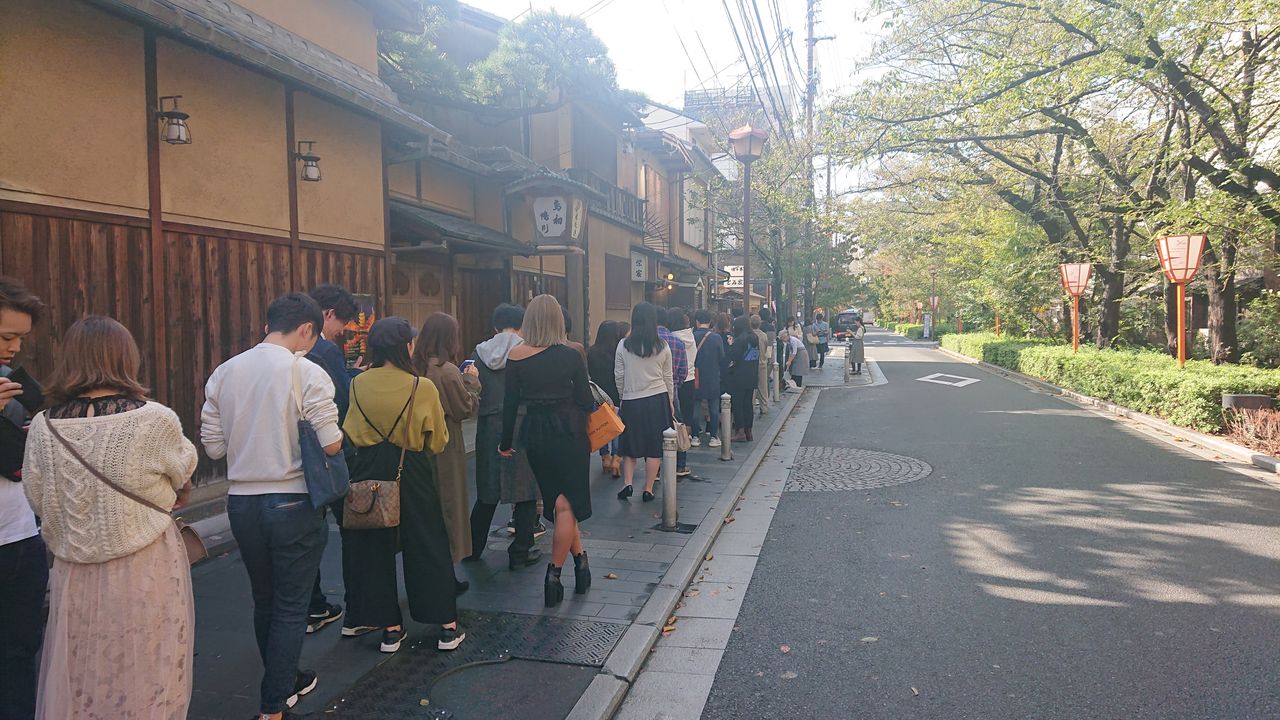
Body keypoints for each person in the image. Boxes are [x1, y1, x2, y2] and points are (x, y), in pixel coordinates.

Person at [24, 317, 198, 719]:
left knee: (83, 676)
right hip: (146, 565)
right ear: (126, 358)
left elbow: (38, 498)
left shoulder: (42, 425)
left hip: (75, 574)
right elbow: (183, 473)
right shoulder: (155, 419)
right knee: (150, 671)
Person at [201, 293, 343, 719]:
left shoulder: (224, 372)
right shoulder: (307, 372)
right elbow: (332, 442)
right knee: (291, 605)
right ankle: (273, 704)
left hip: (242, 502)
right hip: (293, 499)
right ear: (305, 330)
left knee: (265, 599)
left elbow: (213, 448)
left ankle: (287, 680)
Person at [342, 317, 463, 654]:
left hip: (368, 469)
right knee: (427, 543)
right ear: (404, 346)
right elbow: (437, 440)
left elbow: (350, 429)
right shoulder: (420, 386)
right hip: (410, 467)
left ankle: (391, 629)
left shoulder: (358, 384)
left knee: (374, 548)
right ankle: (445, 626)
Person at [499, 295, 594, 608]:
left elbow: (510, 404)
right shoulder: (572, 353)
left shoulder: (515, 356)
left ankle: (582, 561)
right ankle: (554, 574)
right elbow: (584, 400)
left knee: (557, 502)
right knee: (567, 505)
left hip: (535, 434)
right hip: (569, 431)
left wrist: (505, 443)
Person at [0, 278, 45, 720]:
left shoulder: (12, 385)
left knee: (19, 655)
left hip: (20, 536)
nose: (13, 348)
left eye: (20, 339)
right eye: (5, 337)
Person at [467, 303, 542, 569]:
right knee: (525, 489)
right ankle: (521, 549)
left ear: (495, 326)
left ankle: (472, 547)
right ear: (521, 325)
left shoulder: (479, 353)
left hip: (489, 424)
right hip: (522, 422)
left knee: (488, 489)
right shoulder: (529, 350)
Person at [303, 283, 358, 635]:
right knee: (350, 526)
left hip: (296, 451)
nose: (343, 331)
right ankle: (361, 605)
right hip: (328, 447)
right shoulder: (326, 350)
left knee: (308, 533)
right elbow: (343, 399)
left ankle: (313, 605)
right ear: (327, 315)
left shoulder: (291, 349)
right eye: (343, 323)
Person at [413, 312, 480, 592]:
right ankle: (446, 575)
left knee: (426, 510)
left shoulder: (413, 367)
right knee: (449, 507)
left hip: (417, 446)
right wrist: (473, 382)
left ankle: (426, 570)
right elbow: (464, 408)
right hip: (446, 444)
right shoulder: (448, 371)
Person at [615, 302, 674, 501]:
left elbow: (619, 375)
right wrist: (671, 401)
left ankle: (628, 483)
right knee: (654, 446)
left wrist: (622, 397)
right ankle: (648, 488)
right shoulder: (662, 346)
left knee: (629, 444)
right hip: (658, 398)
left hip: (632, 400)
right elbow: (668, 377)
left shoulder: (623, 345)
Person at [658, 308, 692, 478]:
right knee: (677, 426)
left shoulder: (646, 341)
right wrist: (676, 384)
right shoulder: (677, 342)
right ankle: (680, 465)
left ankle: (655, 469)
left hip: (651, 392)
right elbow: (683, 371)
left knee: (655, 429)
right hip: (673, 392)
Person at [587, 320, 624, 477]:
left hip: (598, 395)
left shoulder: (591, 352)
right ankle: (616, 458)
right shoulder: (618, 351)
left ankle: (605, 458)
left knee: (602, 426)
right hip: (615, 395)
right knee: (616, 427)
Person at [690, 310, 725, 448]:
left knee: (695, 408)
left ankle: (695, 436)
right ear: (710, 322)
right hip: (712, 376)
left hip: (696, 376)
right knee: (714, 408)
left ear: (697, 322)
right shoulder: (716, 338)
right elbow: (722, 356)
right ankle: (714, 436)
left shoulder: (692, 336)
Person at [727, 315, 760, 442]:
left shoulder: (740, 339)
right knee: (748, 404)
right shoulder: (754, 338)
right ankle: (749, 431)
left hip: (739, 376)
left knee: (738, 404)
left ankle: (740, 431)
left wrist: (730, 345)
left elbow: (734, 357)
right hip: (752, 375)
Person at [750, 315, 770, 416]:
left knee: (751, 387)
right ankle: (764, 407)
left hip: (751, 364)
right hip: (762, 363)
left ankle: (751, 406)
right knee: (763, 387)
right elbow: (766, 348)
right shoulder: (763, 335)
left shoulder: (749, 335)